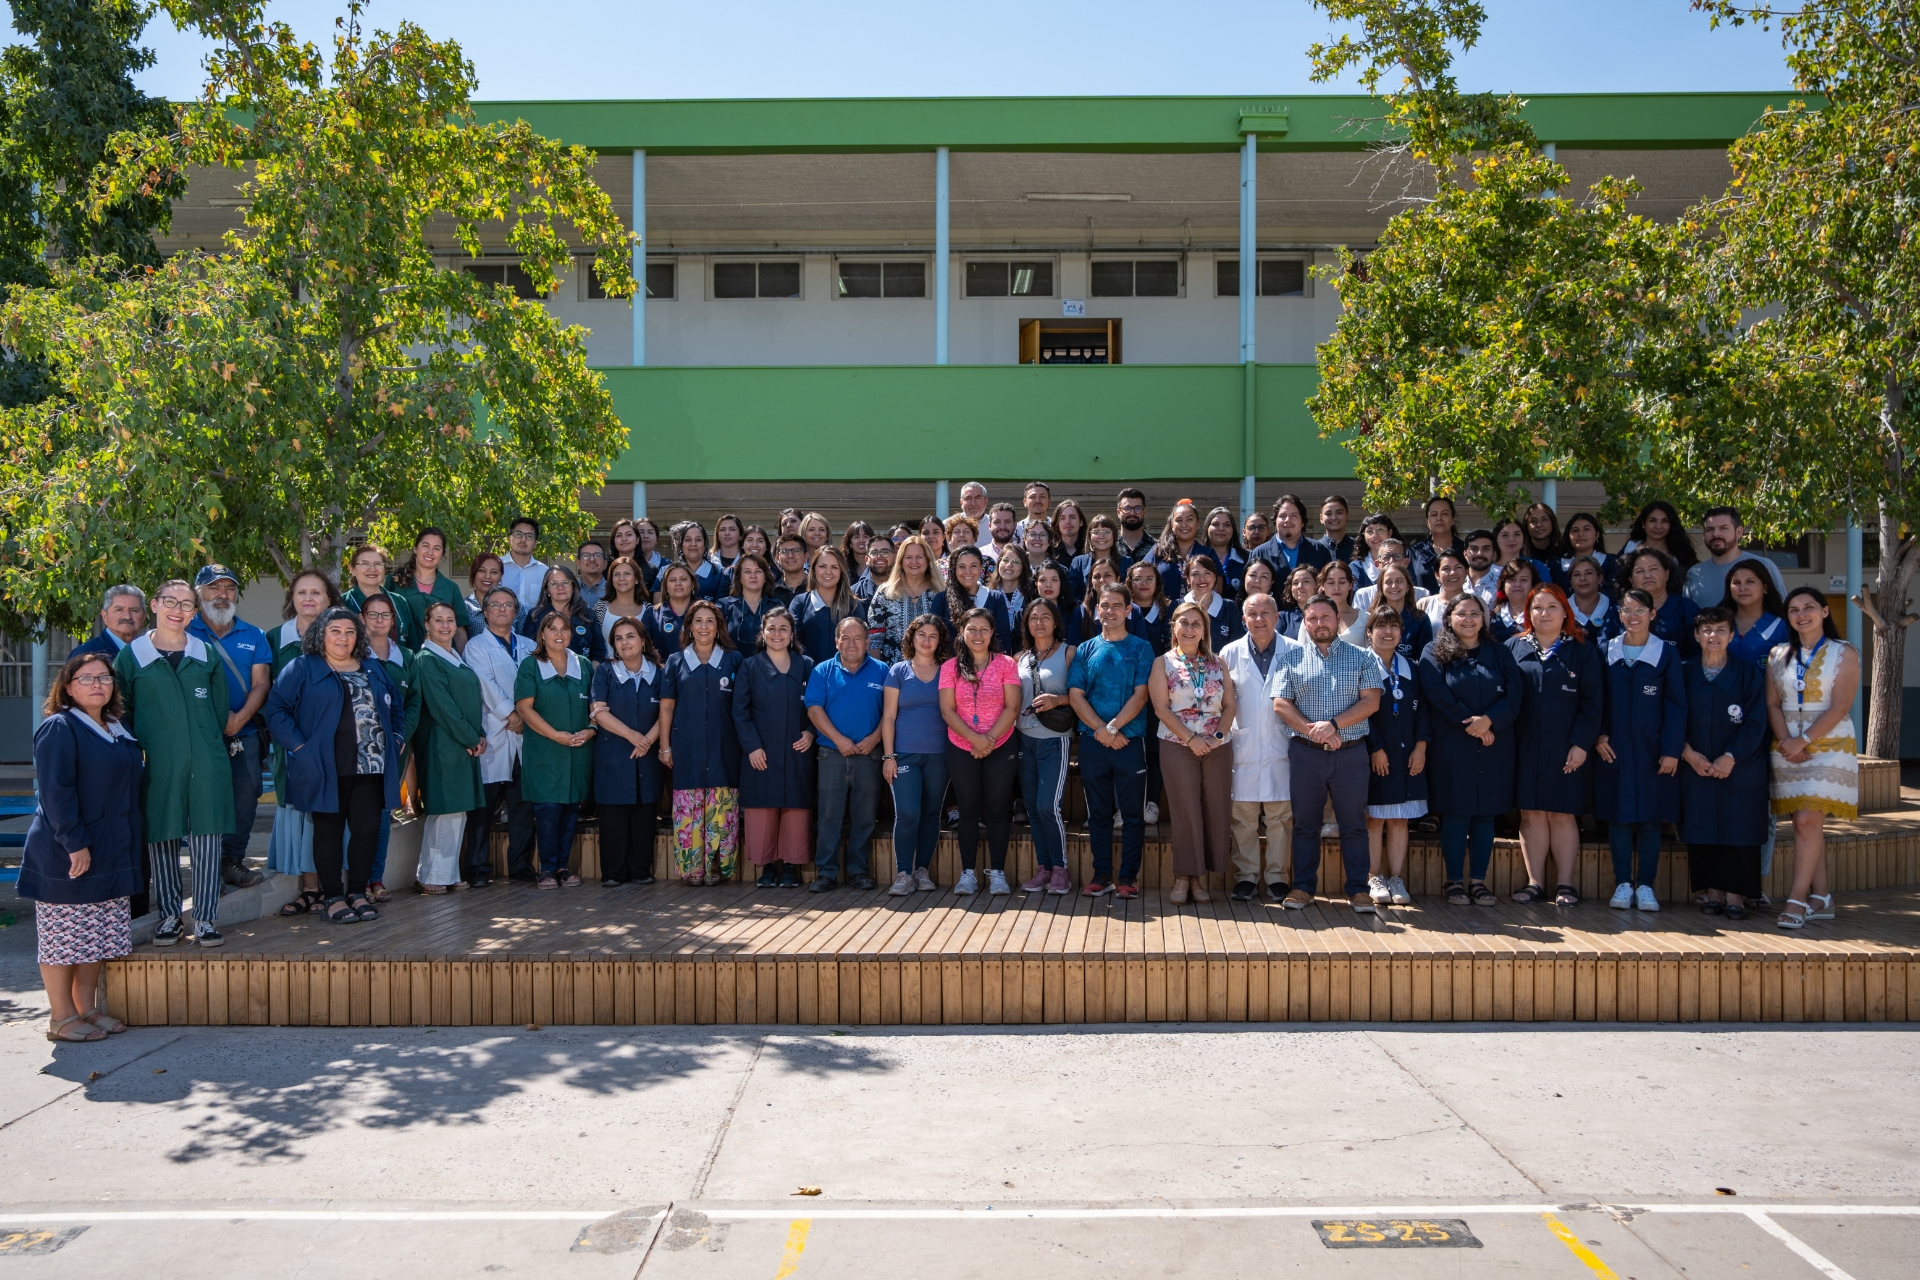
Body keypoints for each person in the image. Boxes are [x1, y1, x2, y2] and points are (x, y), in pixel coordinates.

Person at [22, 652, 145, 1042]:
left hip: (112, 846)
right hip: (67, 849)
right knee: (64, 937)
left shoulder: (115, 727)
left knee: (98, 934)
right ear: (69, 688)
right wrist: (75, 843)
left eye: (104, 678)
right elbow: (56, 792)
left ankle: (87, 1009)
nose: (97, 685)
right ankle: (61, 1017)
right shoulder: (60, 727)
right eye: (87, 678)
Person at [263, 607, 406, 925]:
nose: (343, 637)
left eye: (350, 631)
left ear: (358, 636)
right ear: (321, 635)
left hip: (371, 766)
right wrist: (301, 747)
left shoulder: (372, 668)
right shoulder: (302, 667)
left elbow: (396, 705)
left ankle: (357, 891)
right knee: (327, 832)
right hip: (324, 766)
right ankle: (333, 897)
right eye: (335, 631)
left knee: (367, 830)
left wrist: (396, 738)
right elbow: (276, 710)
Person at [114, 580, 234, 945]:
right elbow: (122, 712)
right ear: (154, 604)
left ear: (194, 613)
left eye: (186, 605)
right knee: (162, 836)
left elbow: (217, 710)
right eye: (170, 601)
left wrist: (207, 744)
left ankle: (207, 917)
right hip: (159, 762)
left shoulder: (205, 654)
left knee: (208, 837)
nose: (177, 610)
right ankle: (169, 915)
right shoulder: (131, 657)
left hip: (206, 759)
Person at [1269, 595, 1384, 912]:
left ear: (1337, 620)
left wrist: (1332, 725)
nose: (1320, 623)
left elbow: (1371, 702)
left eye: (1326, 617)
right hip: (1306, 754)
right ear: (1305, 623)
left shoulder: (1363, 657)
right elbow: (1281, 704)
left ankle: (1358, 890)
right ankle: (1303, 888)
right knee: (1305, 824)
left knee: (1354, 825)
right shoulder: (1291, 659)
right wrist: (1313, 730)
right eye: (1313, 618)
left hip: (1351, 754)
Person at [1416, 594, 1520, 908]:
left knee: (1486, 815)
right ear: (1449, 618)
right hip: (1452, 744)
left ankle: (1478, 880)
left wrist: (1490, 721)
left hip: (1493, 743)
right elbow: (1437, 693)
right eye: (1462, 614)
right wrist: (1471, 724)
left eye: (1476, 613)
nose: (1469, 619)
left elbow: (1515, 694)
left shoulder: (1499, 652)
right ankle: (1454, 881)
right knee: (1457, 814)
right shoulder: (1434, 652)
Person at [1767, 586, 1861, 930]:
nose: (1801, 614)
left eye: (1808, 607)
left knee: (1807, 821)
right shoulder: (1777, 654)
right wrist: (1786, 741)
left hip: (1830, 743)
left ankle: (1796, 901)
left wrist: (1803, 739)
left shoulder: (1844, 652)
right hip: (1787, 746)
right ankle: (1821, 897)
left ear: (1824, 611)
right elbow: (1773, 703)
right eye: (1793, 609)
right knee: (1806, 824)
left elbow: (1841, 706)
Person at [1509, 584, 1603, 906]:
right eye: (1537, 608)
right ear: (1528, 613)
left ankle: (1565, 885)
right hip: (1523, 747)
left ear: (1566, 612)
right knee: (1532, 814)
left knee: (1563, 814)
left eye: (1552, 607)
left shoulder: (1582, 649)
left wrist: (1581, 744)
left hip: (1568, 749)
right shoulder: (1514, 648)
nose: (1544, 613)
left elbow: (1594, 703)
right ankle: (1534, 883)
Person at [1595, 589, 1687, 912]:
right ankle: (1623, 884)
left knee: (1651, 819)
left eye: (1640, 610)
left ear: (1652, 614)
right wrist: (1599, 735)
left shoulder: (1666, 654)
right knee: (1618, 819)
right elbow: (1597, 700)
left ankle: (1645, 885)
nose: (1633, 616)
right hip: (1615, 748)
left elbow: (1677, 706)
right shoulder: (1607, 651)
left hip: (1653, 751)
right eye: (1627, 610)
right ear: (1619, 615)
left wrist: (1672, 749)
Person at [1680, 608, 1769, 920]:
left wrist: (1731, 757)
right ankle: (1713, 894)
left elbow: (1757, 722)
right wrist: (1687, 753)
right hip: (1696, 765)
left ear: (1732, 636)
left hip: (1740, 766)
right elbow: (1671, 716)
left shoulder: (1748, 673)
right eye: (1706, 630)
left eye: (1720, 630)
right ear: (1696, 635)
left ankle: (1736, 896)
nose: (1713, 636)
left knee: (1739, 830)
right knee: (1701, 828)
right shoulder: (1683, 671)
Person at [187, 564, 271, 890]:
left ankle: (232, 862)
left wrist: (239, 719)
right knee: (202, 801)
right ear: (198, 594)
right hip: (201, 737)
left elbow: (261, 684)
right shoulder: (185, 634)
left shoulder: (254, 635)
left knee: (245, 797)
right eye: (214, 588)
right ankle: (207, 869)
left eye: (230, 588)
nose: (223, 595)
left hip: (244, 734)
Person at [1069, 584, 1155, 898]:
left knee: (1132, 815)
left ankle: (1128, 878)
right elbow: (1076, 696)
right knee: (1099, 814)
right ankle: (1102, 874)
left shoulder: (1141, 648)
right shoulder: (1084, 649)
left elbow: (1141, 694)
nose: (1110, 611)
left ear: (1128, 610)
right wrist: (1102, 731)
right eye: (1104, 605)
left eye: (1117, 605)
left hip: (1130, 742)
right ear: (1097, 610)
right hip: (1094, 743)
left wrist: (1115, 729)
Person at [1150, 601, 1237, 904]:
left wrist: (1216, 736)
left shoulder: (1218, 662)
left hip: (1217, 746)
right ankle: (1185, 878)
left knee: (1215, 809)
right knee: (1186, 810)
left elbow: (1229, 706)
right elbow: (1161, 708)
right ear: (1173, 627)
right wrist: (1191, 738)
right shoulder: (1163, 663)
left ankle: (1202, 878)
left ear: (1204, 630)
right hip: (1177, 744)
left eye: (1196, 624)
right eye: (1183, 623)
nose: (1189, 629)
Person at [268, 569, 343, 913]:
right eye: (302, 593)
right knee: (300, 811)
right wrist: (296, 743)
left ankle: (334, 886)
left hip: (336, 746)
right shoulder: (272, 640)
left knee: (331, 812)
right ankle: (309, 888)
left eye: (317, 593)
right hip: (292, 744)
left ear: (330, 599)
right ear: (292, 599)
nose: (309, 599)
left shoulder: (343, 637)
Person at [658, 599, 743, 885]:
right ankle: (694, 868)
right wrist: (665, 745)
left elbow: (742, 706)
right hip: (687, 745)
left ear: (719, 627)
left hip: (724, 745)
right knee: (689, 810)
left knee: (721, 809)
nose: (704, 627)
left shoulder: (734, 660)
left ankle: (717, 866)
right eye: (698, 621)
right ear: (689, 627)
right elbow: (667, 707)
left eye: (710, 621)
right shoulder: (675, 661)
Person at [937, 607, 1020, 895]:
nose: (978, 634)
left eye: (984, 629)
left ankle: (998, 872)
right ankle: (968, 873)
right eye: (972, 629)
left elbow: (1013, 706)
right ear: (961, 632)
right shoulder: (950, 667)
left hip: (1001, 743)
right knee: (968, 809)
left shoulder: (1007, 663)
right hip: (962, 745)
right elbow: (947, 710)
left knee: (998, 810)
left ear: (992, 633)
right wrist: (975, 739)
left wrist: (989, 740)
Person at [733, 608, 817, 887]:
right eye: (772, 628)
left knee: (796, 809)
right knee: (762, 810)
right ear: (763, 632)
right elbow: (740, 711)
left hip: (797, 751)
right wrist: (752, 747)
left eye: (784, 628)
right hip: (762, 753)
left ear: (792, 634)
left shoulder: (806, 665)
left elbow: (819, 706)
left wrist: (811, 732)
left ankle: (792, 866)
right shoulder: (750, 666)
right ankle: (766, 867)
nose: (777, 634)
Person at [1220, 592, 1295, 902]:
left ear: (1277, 618)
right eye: (1253, 614)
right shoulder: (1229, 653)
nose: (1259, 619)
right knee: (1243, 818)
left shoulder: (1296, 651)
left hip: (1283, 744)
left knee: (1280, 818)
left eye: (1266, 613)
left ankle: (1277, 877)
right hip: (1243, 744)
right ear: (1243, 619)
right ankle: (1246, 876)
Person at [513, 611, 595, 891]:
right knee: (548, 808)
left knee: (571, 808)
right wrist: (554, 736)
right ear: (542, 635)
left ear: (571, 634)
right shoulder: (530, 666)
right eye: (552, 629)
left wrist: (591, 729)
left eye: (564, 628)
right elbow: (524, 708)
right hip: (545, 752)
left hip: (576, 752)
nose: (559, 634)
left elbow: (596, 707)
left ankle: (562, 866)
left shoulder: (583, 665)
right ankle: (546, 868)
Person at [806, 615, 888, 892]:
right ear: (836, 641)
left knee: (865, 816)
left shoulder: (882, 670)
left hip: (870, 755)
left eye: (858, 638)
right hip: (832, 753)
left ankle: (858, 870)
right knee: (829, 815)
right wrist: (839, 739)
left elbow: (891, 712)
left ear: (867, 642)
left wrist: (875, 739)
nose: (852, 644)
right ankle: (826, 873)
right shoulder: (822, 671)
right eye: (846, 638)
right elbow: (814, 709)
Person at [463, 586, 538, 886]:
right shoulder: (476, 646)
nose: (502, 609)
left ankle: (520, 865)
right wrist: (512, 715)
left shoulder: (531, 645)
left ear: (517, 612)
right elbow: (485, 684)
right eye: (496, 605)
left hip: (525, 736)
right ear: (485, 613)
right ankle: (478, 869)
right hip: (494, 733)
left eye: (509, 605)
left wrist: (525, 719)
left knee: (522, 808)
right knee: (483, 810)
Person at [410, 601, 484, 893]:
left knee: (457, 811)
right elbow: (443, 707)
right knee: (443, 811)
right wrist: (470, 737)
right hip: (443, 743)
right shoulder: (426, 659)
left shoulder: (453, 655)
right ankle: (431, 874)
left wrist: (476, 735)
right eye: (438, 620)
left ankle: (448, 872)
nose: (445, 625)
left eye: (450, 620)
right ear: (426, 625)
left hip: (461, 742)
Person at [588, 616, 665, 887]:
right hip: (614, 754)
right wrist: (633, 736)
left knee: (645, 813)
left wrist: (648, 740)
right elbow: (597, 711)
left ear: (642, 641)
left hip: (647, 754)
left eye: (630, 636)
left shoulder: (659, 672)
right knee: (613, 815)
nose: (625, 642)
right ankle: (613, 872)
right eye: (618, 638)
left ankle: (641, 869)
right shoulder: (605, 672)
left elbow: (667, 711)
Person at [882, 615, 952, 894]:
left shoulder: (949, 669)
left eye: (933, 636)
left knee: (931, 814)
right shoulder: (898, 670)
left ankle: (922, 870)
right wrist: (889, 757)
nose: (926, 640)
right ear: (912, 637)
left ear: (939, 641)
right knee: (908, 813)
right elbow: (888, 716)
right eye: (921, 634)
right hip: (905, 754)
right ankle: (903, 873)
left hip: (940, 754)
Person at [1361, 608, 1425, 907]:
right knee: (1375, 818)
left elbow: (1425, 711)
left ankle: (1395, 877)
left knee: (1400, 819)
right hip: (1376, 754)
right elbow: (1359, 712)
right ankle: (1374, 876)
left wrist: (1421, 747)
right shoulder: (1361, 665)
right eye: (1381, 626)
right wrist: (1376, 747)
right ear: (1369, 632)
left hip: (1408, 754)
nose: (1388, 632)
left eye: (1394, 626)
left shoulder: (1412, 666)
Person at [357, 592, 420, 899]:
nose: (379, 620)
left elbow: (414, 702)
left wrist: (398, 737)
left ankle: (375, 878)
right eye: (373, 614)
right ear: (361, 618)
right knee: (356, 813)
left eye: (386, 615)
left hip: (394, 748)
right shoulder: (351, 655)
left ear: (394, 621)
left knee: (382, 812)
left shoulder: (407, 657)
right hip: (357, 749)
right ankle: (355, 879)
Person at [1014, 599, 1076, 895]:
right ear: (1026, 624)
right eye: (1033, 618)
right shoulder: (1020, 658)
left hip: (1055, 740)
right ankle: (1045, 868)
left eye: (1045, 617)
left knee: (1048, 806)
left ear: (1055, 622)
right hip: (1025, 739)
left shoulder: (1068, 653)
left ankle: (1061, 869)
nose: (1039, 622)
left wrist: (1057, 700)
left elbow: (1080, 695)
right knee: (1033, 809)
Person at [388, 526, 472, 651]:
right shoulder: (394, 581)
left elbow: (459, 632)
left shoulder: (451, 588)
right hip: (400, 658)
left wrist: (462, 664)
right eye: (425, 546)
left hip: (441, 662)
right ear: (415, 548)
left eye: (436, 548)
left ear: (442, 554)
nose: (430, 552)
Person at [866, 535, 945, 664]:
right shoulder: (885, 593)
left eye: (919, 557)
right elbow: (875, 639)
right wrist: (877, 676)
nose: (914, 562)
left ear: (928, 560)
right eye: (908, 557)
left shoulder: (941, 593)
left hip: (934, 673)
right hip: (892, 675)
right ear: (901, 561)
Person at [1686, 508, 1788, 604]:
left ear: (1739, 532)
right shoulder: (1694, 574)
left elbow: (1781, 609)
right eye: (1709, 529)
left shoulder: (1764, 566)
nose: (1716, 534)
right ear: (1704, 534)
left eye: (1723, 528)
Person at [792, 546, 867, 665]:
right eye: (822, 566)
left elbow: (860, 643)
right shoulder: (799, 602)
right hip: (808, 675)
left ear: (841, 571)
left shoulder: (853, 604)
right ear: (814, 569)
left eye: (834, 567)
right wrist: (814, 669)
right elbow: (794, 641)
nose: (828, 572)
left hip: (845, 675)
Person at [522, 565, 609, 662]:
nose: (560, 587)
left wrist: (590, 670)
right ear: (547, 590)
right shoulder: (535, 616)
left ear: (573, 587)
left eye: (565, 582)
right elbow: (527, 650)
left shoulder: (588, 614)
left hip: (583, 674)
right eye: (554, 583)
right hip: (545, 674)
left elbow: (599, 651)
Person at [1624, 547, 1699, 657]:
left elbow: (1696, 654)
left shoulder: (1688, 609)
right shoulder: (1619, 611)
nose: (1647, 575)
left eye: (1653, 569)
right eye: (1640, 571)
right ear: (1631, 580)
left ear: (1667, 574)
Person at [345, 544, 418, 649]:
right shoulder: (342, 603)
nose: (372, 569)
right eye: (365, 564)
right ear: (352, 569)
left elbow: (413, 645)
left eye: (378, 564)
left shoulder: (399, 602)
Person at [943, 546, 1012, 654]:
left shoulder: (996, 598)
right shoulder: (941, 599)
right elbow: (939, 642)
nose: (968, 571)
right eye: (962, 566)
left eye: (973, 566)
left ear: (981, 568)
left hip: (990, 667)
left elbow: (1003, 642)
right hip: (952, 667)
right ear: (954, 569)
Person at [1721, 557, 1789, 666]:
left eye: (1750, 582)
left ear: (1765, 587)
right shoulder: (1718, 623)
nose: (1742, 588)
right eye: (1737, 582)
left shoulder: (1782, 626)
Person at [1362, 564, 1433, 662]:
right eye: (1388, 582)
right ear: (1381, 587)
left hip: (1409, 675)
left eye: (1399, 581)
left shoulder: (1420, 618)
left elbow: (1425, 659)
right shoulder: (1370, 617)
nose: (1394, 586)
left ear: (1408, 586)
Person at [1253, 493, 1332, 578]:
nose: (1287, 520)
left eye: (1293, 516)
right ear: (1275, 521)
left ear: (1303, 522)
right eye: (1282, 516)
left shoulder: (1320, 551)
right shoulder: (1259, 553)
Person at [1621, 499, 1699, 580]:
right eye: (1653, 521)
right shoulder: (1630, 548)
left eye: (1665, 521)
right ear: (1643, 524)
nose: (1658, 526)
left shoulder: (1680, 554)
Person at [1181, 554, 1245, 650]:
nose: (1202, 578)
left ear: (1215, 577)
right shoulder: (1177, 606)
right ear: (1188, 579)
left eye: (1207, 573)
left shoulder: (1229, 607)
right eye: (1195, 574)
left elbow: (1237, 647)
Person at [70, 584, 146, 660]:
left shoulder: (151, 652)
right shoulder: (84, 653)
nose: (127, 616)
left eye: (135, 610)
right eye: (119, 610)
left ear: (144, 617)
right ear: (105, 616)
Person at [721, 552, 779, 649]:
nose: (753, 576)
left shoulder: (776, 607)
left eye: (758, 571)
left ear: (765, 577)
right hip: (733, 663)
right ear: (739, 577)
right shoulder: (724, 606)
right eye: (747, 572)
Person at [1408, 495, 1463, 591]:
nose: (1439, 518)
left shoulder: (1465, 550)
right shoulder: (1414, 553)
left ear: (1453, 519)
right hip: (1422, 605)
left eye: (1444, 514)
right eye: (1433, 514)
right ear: (1427, 522)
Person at [644, 561, 699, 658]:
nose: (678, 583)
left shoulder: (705, 612)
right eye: (673, 580)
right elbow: (644, 649)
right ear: (665, 586)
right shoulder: (652, 614)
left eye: (683, 579)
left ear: (693, 584)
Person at [1552, 512, 1616, 593]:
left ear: (1597, 535)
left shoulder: (1612, 563)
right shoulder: (1555, 565)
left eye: (1586, 529)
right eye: (1575, 530)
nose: (1580, 534)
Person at [596, 555, 651, 647]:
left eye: (627, 573)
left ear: (636, 578)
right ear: (611, 579)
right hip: (607, 660)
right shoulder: (599, 609)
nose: (621, 578)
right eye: (617, 574)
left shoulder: (649, 610)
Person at [1566, 555, 1620, 644]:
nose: (1582, 578)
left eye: (1589, 573)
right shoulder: (1561, 609)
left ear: (1600, 578)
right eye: (1576, 574)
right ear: (1571, 582)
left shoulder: (1614, 608)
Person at [499, 516, 549, 613]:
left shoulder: (544, 572)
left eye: (529, 536)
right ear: (509, 539)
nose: (523, 540)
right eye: (518, 534)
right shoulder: (497, 567)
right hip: (502, 626)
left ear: (535, 544)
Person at [1198, 505, 1248, 598]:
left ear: (1233, 530)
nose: (1221, 528)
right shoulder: (1195, 556)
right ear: (1207, 528)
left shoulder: (1247, 558)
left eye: (1227, 525)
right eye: (1216, 524)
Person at [1418, 549, 1472, 632]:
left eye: (1458, 567)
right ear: (1437, 574)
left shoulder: (1477, 603)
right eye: (1446, 568)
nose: (1452, 573)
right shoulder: (1424, 604)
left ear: (1466, 571)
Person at [1031, 561, 1083, 645]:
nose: (1048, 585)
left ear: (1061, 583)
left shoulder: (1076, 611)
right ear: (1036, 583)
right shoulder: (1024, 613)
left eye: (1054, 580)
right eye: (1043, 580)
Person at [1488, 560, 1540, 643]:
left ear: (1533, 585)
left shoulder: (1541, 616)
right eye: (1512, 579)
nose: (1517, 584)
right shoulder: (1490, 620)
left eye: (1524, 580)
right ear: (1503, 585)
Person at [677, 522, 730, 600]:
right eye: (688, 540)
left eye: (698, 540)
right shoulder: (668, 572)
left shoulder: (720, 574)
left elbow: (722, 608)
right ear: (681, 545)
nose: (693, 544)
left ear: (705, 545)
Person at [464, 551, 510, 630]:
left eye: (494, 572)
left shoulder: (514, 607)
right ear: (473, 574)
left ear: (501, 576)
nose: (487, 576)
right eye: (482, 571)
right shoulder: (463, 607)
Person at [991, 542, 1035, 619]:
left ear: (1023, 567)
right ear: (999, 563)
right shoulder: (988, 595)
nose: (1009, 565)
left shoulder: (1032, 596)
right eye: (1005, 560)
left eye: (1016, 562)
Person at [1462, 529, 1501, 607]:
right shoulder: (1454, 581)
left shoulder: (1501, 585)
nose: (1479, 553)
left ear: (1494, 554)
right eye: (1474, 549)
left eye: (1486, 549)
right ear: (1465, 553)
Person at [1114, 487, 1153, 564]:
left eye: (1137, 508)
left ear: (1144, 512)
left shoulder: (1156, 547)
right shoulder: (1110, 545)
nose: (1132, 513)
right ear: (1118, 512)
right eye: (1127, 508)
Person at [1315, 494, 1357, 566]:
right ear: (1321, 518)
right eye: (1328, 513)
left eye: (1339, 513)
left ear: (1347, 516)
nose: (1334, 517)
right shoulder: (1314, 549)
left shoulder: (1358, 547)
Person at [770, 534, 811, 603]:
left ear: (806, 556)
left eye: (796, 551)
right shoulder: (771, 593)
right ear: (777, 558)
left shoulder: (816, 588)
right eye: (784, 551)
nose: (790, 555)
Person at [853, 536, 895, 602]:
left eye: (885, 552)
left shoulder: (907, 590)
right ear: (867, 559)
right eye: (874, 553)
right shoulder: (853, 594)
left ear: (894, 557)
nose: (879, 556)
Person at [575, 541, 611, 610]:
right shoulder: (569, 590)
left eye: (597, 556)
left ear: (605, 564)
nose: (592, 559)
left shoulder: (614, 591)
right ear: (578, 563)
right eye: (586, 556)